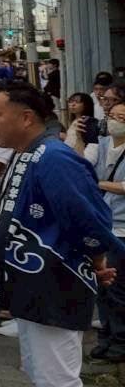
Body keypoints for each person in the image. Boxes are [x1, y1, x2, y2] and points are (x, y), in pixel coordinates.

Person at [0, 81, 125, 386]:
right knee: (40, 374)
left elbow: (88, 219)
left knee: (56, 379)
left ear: (26, 117)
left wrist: (97, 261)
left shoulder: (54, 157)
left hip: (54, 285)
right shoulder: (26, 153)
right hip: (32, 284)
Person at [90, 103, 125, 362]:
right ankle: (106, 336)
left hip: (122, 228)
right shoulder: (101, 145)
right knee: (101, 286)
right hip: (102, 225)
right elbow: (80, 164)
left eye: (121, 118)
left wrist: (98, 183)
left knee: (117, 288)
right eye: (112, 116)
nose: (115, 121)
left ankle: (120, 341)